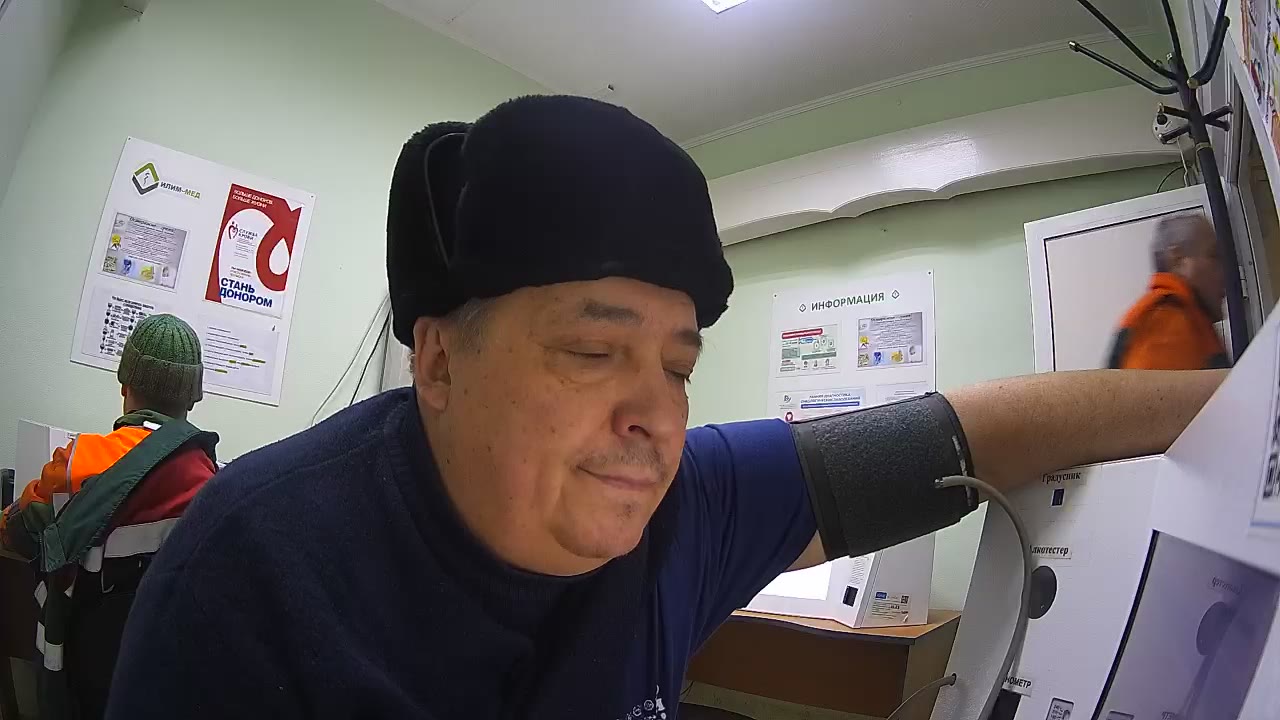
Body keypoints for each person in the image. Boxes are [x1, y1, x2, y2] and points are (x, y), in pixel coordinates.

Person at [106, 96, 1223, 720]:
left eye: (679, 367)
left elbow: (963, 435)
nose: (654, 415)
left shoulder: (685, 507)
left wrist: (1241, 406)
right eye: (593, 352)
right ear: (438, 363)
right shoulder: (251, 577)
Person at [1, 313, 218, 720]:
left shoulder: (78, 461)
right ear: (193, 398)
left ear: (125, 384)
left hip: (76, 675)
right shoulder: (213, 486)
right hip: (159, 684)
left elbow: (19, 531)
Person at [1108, 213, 1230, 369]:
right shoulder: (1167, 321)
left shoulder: (1190, 318)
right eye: (1213, 256)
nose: (1223, 272)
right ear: (1178, 260)